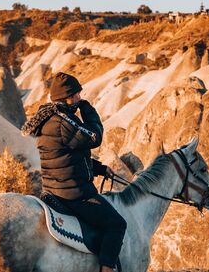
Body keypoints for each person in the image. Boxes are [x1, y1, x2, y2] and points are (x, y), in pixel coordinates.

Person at [22, 72, 126, 272]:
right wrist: (87, 110)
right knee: (116, 224)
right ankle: (107, 269)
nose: (80, 98)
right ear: (67, 97)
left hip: (54, 188)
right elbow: (94, 137)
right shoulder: (63, 121)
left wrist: (101, 169)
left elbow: (67, 158)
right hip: (73, 194)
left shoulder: (50, 118)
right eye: (77, 95)